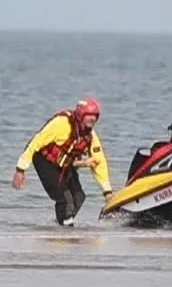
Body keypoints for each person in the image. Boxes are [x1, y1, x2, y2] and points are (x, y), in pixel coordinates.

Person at [12, 96, 112, 226]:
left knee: (79, 197)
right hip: (45, 161)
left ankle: (61, 227)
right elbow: (35, 143)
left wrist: (107, 193)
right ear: (81, 114)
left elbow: (99, 163)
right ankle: (65, 231)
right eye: (89, 115)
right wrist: (21, 170)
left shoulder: (91, 136)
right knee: (65, 200)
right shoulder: (61, 124)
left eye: (95, 116)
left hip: (65, 165)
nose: (92, 119)